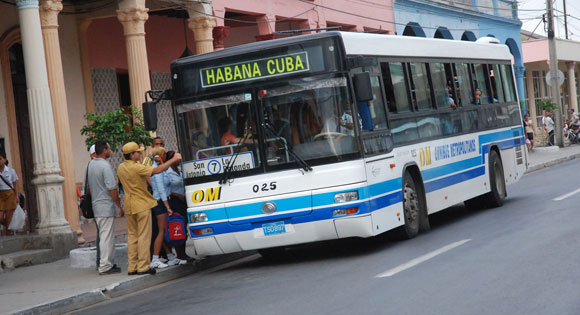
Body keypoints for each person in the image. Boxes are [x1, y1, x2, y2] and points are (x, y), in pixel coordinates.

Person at [117, 142, 182, 276]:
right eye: (138, 152)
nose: (140, 154)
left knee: (132, 236)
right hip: (141, 205)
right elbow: (156, 170)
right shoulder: (136, 167)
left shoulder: (121, 167)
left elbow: (144, 166)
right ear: (132, 154)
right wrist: (172, 160)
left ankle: (132, 266)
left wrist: (151, 155)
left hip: (129, 205)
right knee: (143, 236)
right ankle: (143, 266)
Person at [86, 141, 123, 275]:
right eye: (109, 148)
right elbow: (112, 188)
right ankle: (105, 266)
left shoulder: (90, 165)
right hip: (105, 206)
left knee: (104, 235)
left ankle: (108, 264)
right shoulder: (105, 166)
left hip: (96, 205)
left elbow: (88, 188)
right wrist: (118, 205)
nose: (110, 150)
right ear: (105, 150)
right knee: (107, 237)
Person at [150, 145, 185, 268]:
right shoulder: (157, 169)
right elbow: (161, 190)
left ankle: (170, 256)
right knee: (162, 231)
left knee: (163, 231)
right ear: (161, 156)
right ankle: (155, 259)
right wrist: (167, 206)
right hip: (160, 202)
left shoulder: (159, 168)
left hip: (161, 201)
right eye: (164, 154)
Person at [166, 150, 194, 262]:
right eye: (176, 158)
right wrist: (176, 194)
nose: (179, 160)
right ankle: (179, 254)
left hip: (183, 202)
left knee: (184, 227)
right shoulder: (167, 172)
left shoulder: (180, 170)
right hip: (175, 201)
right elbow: (165, 188)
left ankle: (184, 253)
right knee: (177, 226)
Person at [0, 151, 19, 236]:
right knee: (0, 217)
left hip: (10, 193)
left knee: (9, 214)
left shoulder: (11, 171)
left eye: (0, 159)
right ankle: (9, 226)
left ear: (5, 160)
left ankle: (8, 232)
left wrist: (17, 196)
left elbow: (15, 184)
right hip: (1, 195)